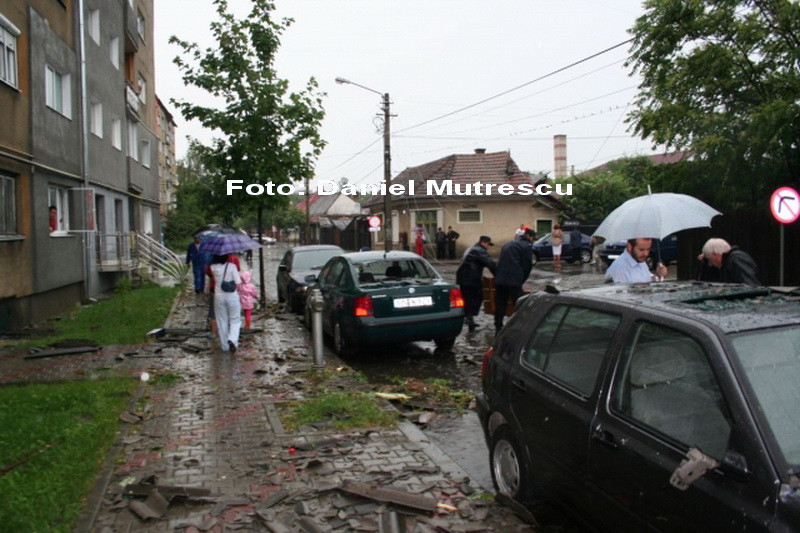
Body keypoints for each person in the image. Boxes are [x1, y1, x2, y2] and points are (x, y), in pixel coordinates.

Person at [494, 228, 536, 333]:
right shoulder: (527, 246)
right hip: (514, 280)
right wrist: (521, 280)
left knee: (500, 303)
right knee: (520, 304)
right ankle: (519, 328)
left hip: (500, 279)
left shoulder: (509, 243)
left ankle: (498, 327)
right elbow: (527, 266)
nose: (533, 241)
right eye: (533, 239)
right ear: (530, 237)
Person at [456, 236, 496, 331]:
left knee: (468, 299)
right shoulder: (479, 250)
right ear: (483, 242)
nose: (488, 247)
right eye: (488, 244)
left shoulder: (471, 248)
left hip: (464, 278)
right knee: (478, 297)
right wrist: (498, 275)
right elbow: (490, 264)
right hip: (471, 279)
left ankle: (469, 319)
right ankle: (469, 317)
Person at [210, 253, 242, 352]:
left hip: (219, 297)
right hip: (232, 296)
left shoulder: (212, 267)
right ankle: (232, 339)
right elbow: (238, 281)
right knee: (235, 320)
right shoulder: (232, 266)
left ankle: (225, 346)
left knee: (221, 321)